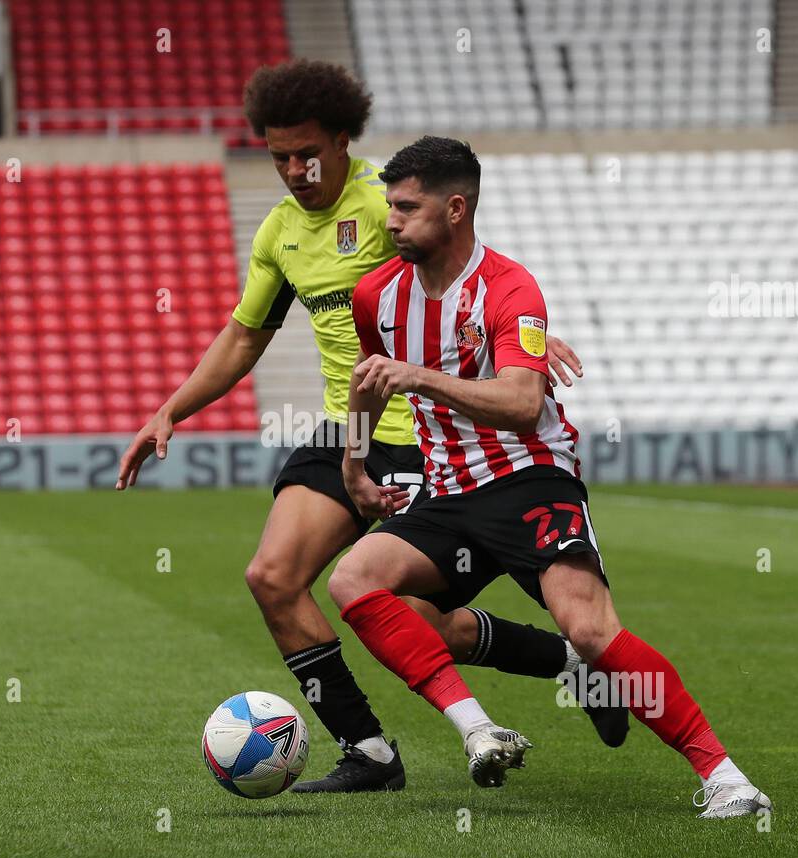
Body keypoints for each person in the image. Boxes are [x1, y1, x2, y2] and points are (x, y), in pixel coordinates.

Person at [116, 62, 625, 793]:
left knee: (422, 620)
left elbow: (470, 269)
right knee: (272, 577)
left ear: (342, 138)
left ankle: (573, 665)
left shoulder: (386, 203)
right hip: (346, 432)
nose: (294, 170)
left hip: (429, 437)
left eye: (308, 153)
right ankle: (370, 752)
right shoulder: (280, 233)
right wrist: (170, 409)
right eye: (279, 156)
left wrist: (534, 340)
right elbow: (243, 336)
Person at [329, 135, 771, 815]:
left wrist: (421, 375)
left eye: (406, 208)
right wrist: (355, 468)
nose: (390, 221)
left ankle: (727, 778)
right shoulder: (376, 296)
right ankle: (482, 729)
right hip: (446, 490)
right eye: (389, 206)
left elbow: (521, 403)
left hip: (529, 477)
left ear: (454, 209)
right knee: (360, 584)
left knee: (591, 628)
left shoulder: (510, 288)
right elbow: (368, 383)